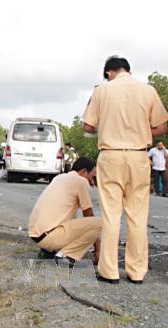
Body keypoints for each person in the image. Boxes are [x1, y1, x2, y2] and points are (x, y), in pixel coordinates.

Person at [83, 56, 168, 284]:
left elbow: (88, 126)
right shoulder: (148, 91)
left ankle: (109, 272)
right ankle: (137, 271)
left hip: (110, 156)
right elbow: (162, 126)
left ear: (109, 73)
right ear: (127, 70)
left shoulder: (101, 91)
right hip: (139, 155)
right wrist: (142, 129)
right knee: (138, 216)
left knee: (112, 214)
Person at [28, 157, 102, 266]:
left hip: (37, 235)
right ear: (84, 172)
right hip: (49, 237)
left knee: (73, 221)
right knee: (100, 223)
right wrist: (98, 250)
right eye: (92, 176)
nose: (92, 181)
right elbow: (89, 215)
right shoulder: (81, 181)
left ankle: (48, 251)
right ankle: (66, 256)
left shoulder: (60, 177)